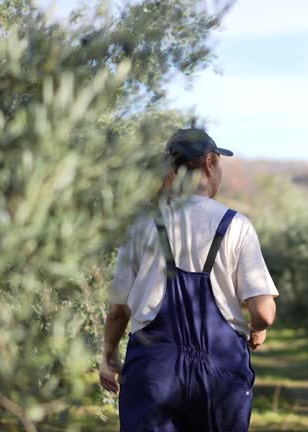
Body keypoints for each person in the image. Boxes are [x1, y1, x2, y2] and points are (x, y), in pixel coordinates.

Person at [99, 128, 279, 432]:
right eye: (220, 163)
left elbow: (119, 310)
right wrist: (258, 328)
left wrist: (109, 356)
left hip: (153, 370)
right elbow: (263, 312)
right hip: (221, 373)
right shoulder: (236, 226)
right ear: (210, 162)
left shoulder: (142, 226)